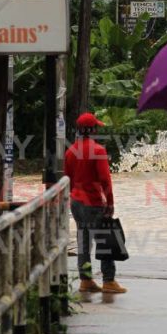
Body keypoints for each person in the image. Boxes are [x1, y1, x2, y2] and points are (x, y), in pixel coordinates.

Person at [64, 113, 126, 294]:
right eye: (96, 127)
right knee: (104, 241)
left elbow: (67, 179)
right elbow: (105, 180)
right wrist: (111, 203)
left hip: (76, 203)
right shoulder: (98, 150)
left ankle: (85, 280)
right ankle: (108, 281)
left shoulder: (70, 152)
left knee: (83, 241)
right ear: (91, 130)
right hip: (93, 203)